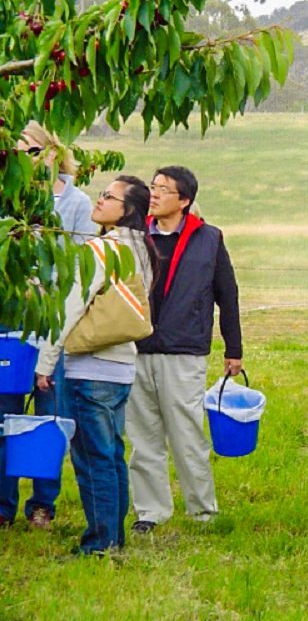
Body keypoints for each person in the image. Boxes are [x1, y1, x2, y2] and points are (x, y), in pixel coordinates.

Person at [34, 175, 157, 554]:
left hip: (92, 366)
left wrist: (46, 360)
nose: (100, 200)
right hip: (121, 366)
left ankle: (100, 543)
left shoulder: (100, 249)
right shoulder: (143, 248)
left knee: (92, 458)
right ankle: (113, 536)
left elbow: (71, 307)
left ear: (128, 210)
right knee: (111, 454)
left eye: (109, 197)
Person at [127, 166, 242, 533]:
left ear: (185, 200)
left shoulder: (208, 238)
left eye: (164, 189)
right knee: (143, 437)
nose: (155, 194)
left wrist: (233, 346)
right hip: (137, 348)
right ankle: (150, 511)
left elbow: (228, 293)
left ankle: (202, 511)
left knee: (187, 434)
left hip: (183, 350)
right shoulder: (132, 237)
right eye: (152, 187)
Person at [0, 123, 96, 530]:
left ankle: (43, 502)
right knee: (5, 414)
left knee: (48, 415)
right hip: (10, 322)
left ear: (55, 151)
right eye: (19, 152)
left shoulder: (76, 203)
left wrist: (45, 287)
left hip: (51, 323)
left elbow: (82, 264)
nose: (28, 159)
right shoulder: (10, 199)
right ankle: (3, 504)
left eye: (34, 150)